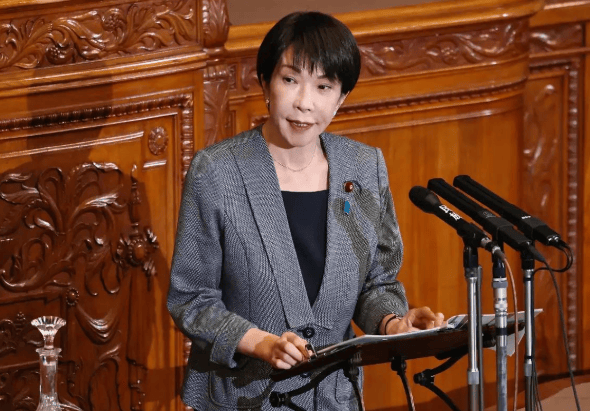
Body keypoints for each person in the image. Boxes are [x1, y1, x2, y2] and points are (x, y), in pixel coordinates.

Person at [167, 11, 445, 411]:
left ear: (341, 97)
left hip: (335, 399)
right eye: (290, 80)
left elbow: (376, 284)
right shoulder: (216, 172)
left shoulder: (364, 168)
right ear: (265, 81)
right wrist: (260, 343)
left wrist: (393, 323)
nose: (304, 103)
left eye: (324, 86)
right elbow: (192, 299)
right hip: (244, 399)